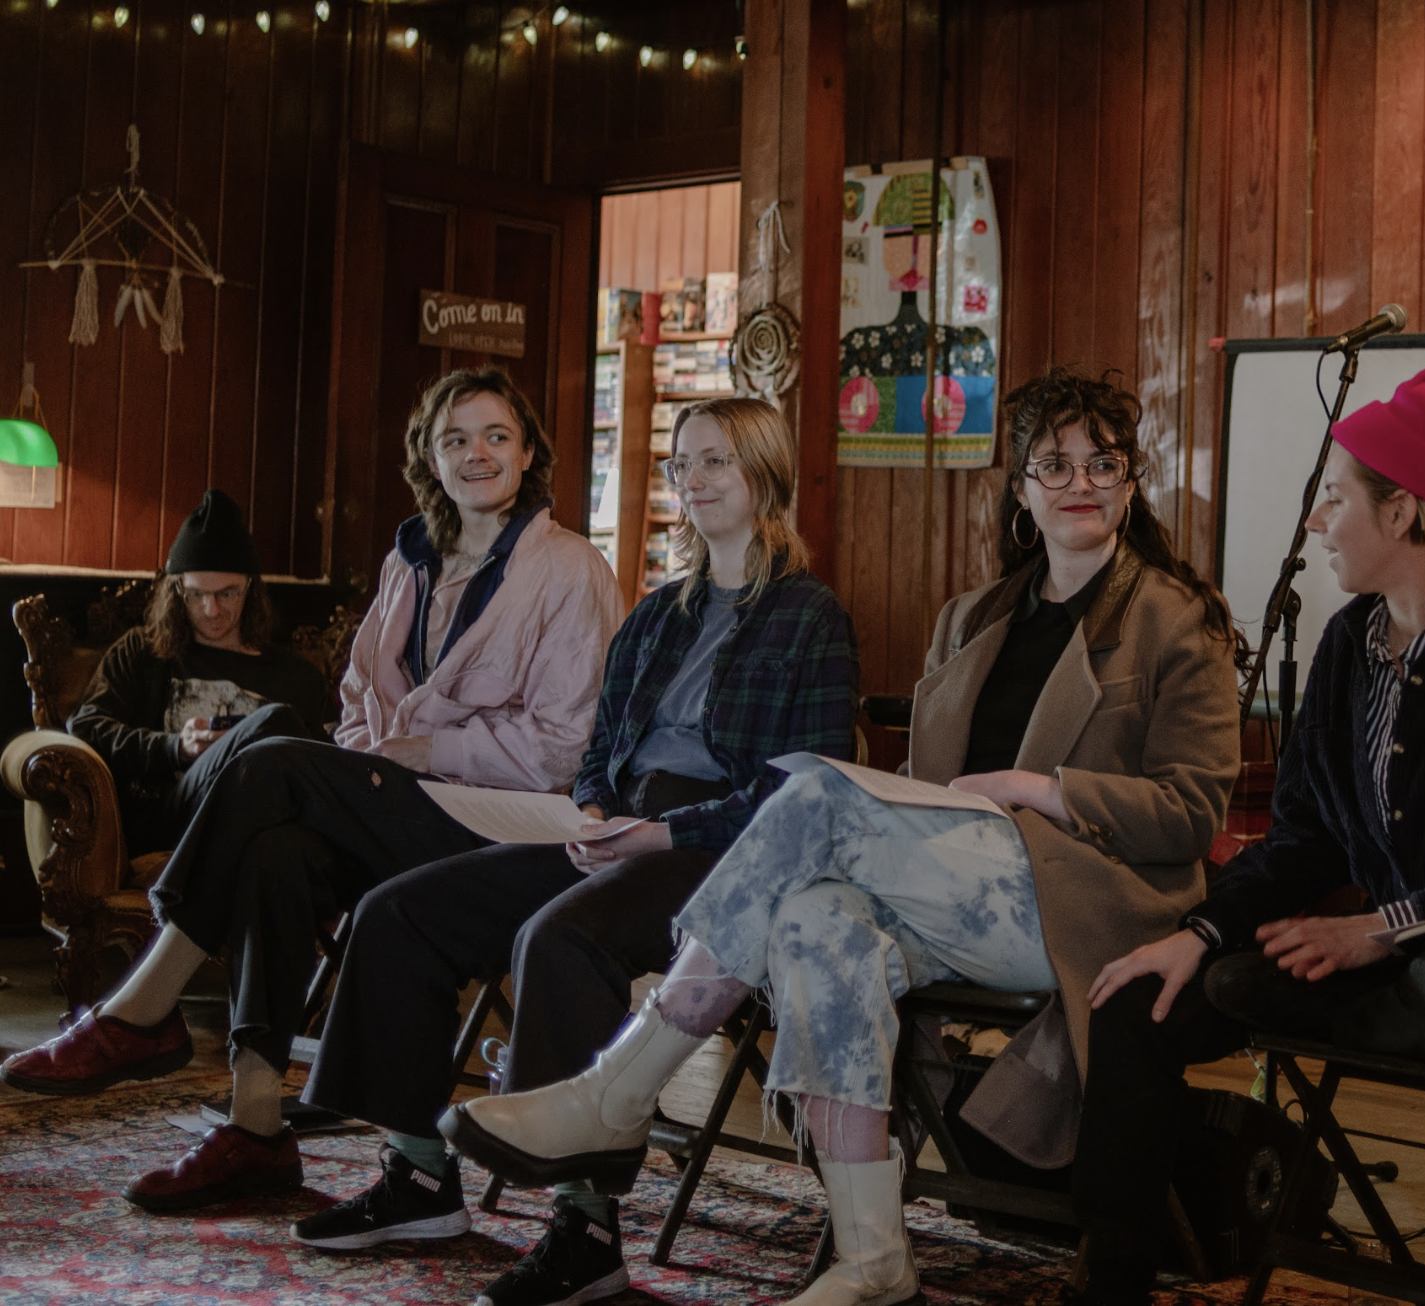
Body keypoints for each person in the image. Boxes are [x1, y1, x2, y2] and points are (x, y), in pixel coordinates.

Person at [441, 368, 1241, 1306]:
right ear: (1021, 489)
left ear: (1131, 482)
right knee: (813, 921)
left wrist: (1040, 789)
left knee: (813, 789)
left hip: (1080, 902)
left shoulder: (1176, 620)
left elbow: (1191, 811)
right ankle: (873, 1259)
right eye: (1054, 465)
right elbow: (929, 795)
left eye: (1103, 464)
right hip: (955, 886)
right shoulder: (972, 619)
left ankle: (616, 1091)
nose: (1081, 483)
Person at [1067, 365, 1425, 1303]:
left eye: (1334, 498)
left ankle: (1298, 991)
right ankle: (1115, 1283)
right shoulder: (1346, 648)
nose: (1315, 521)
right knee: (1143, 993)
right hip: (1384, 973)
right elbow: (1306, 841)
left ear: (1402, 511)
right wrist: (1201, 933)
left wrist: (1383, 928)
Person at [0, 366, 622, 1217]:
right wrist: (374, 758)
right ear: (430, 460)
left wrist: (415, 750)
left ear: (526, 454)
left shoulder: (570, 568)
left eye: (496, 436)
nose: (476, 453)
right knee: (277, 851)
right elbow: (359, 700)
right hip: (400, 805)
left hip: (501, 826)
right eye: (455, 439)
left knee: (273, 759)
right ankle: (257, 1127)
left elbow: (562, 748)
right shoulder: (409, 561)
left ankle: (142, 1008)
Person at [288, 399, 859, 1306]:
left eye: (717, 460)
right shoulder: (657, 613)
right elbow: (599, 752)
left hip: (729, 852)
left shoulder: (809, 615)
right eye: (683, 463)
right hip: (613, 827)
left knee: (560, 937)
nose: (696, 479)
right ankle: (419, 1175)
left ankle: (585, 1232)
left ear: (765, 473)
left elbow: (808, 788)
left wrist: (660, 833)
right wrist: (593, 810)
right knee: (400, 911)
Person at [67, 489, 330, 854]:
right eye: (196, 594)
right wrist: (175, 748)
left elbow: (321, 772)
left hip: (264, 831)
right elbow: (86, 727)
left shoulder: (295, 675)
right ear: (176, 591)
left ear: (250, 588)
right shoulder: (142, 653)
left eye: (227, 593)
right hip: (174, 817)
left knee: (284, 834)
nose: (211, 610)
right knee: (275, 721)